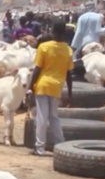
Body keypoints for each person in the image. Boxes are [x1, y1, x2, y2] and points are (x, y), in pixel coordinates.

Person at [28, 20, 74, 156]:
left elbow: (37, 69)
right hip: (57, 87)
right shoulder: (68, 50)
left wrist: (31, 86)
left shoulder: (44, 47)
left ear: (52, 30)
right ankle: (61, 144)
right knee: (54, 116)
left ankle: (40, 147)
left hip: (42, 85)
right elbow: (69, 74)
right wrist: (70, 93)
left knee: (42, 117)